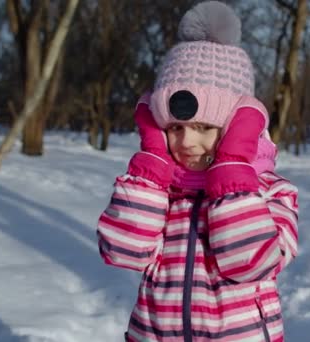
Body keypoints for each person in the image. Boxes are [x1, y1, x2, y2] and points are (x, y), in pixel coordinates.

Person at [96, 2, 299, 341]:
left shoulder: (272, 191)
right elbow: (122, 249)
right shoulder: (159, 189)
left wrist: (231, 173)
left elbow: (251, 261)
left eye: (204, 127)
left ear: (237, 126)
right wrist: (151, 166)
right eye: (175, 127)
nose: (186, 141)